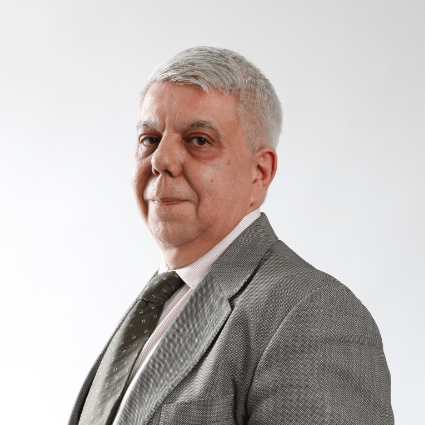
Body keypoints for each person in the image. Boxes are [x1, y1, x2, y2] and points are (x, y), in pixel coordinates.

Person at [69, 46, 394, 425]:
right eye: (150, 138)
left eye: (199, 140)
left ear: (260, 173)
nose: (161, 160)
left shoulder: (314, 315)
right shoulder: (158, 301)